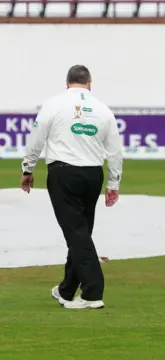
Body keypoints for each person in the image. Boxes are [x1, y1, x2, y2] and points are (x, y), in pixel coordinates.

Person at [20, 65, 123, 310]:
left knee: (76, 233)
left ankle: (92, 293)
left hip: (64, 173)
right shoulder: (102, 108)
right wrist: (113, 183)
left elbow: (37, 137)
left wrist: (28, 168)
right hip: (93, 174)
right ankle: (66, 290)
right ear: (89, 84)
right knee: (81, 231)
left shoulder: (54, 104)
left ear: (66, 83)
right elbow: (115, 151)